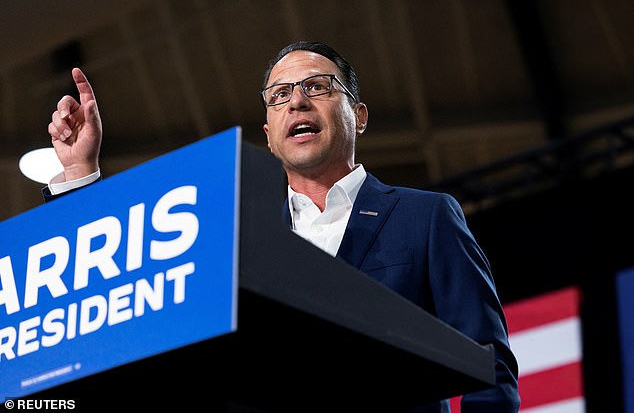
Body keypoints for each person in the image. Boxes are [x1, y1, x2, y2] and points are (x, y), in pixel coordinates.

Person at [45, 41, 520, 412]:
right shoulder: (231, 237)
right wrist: (79, 174)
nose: (296, 101)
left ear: (359, 115)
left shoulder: (427, 216)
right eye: (279, 96)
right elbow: (114, 293)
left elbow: (489, 364)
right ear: (270, 136)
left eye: (317, 86)